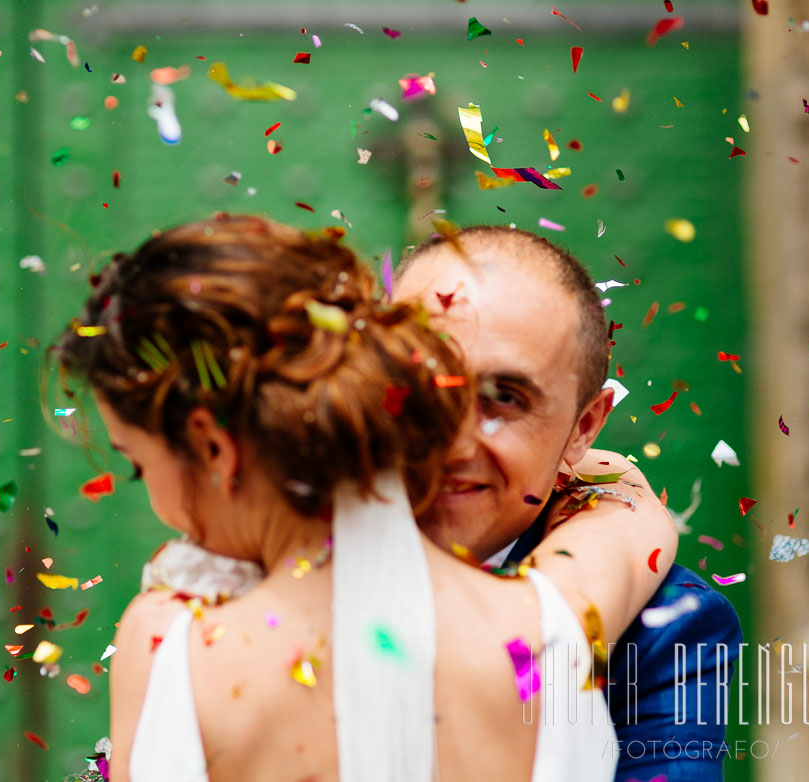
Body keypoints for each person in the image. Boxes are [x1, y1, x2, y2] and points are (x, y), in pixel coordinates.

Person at [54, 214, 678, 782]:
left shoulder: (170, 644)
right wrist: (600, 469)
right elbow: (630, 522)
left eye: (138, 466)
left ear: (213, 447)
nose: (459, 440)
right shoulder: (555, 625)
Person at [394, 224, 743, 782]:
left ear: (585, 427)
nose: (452, 442)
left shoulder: (665, 627)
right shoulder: (271, 547)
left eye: (505, 398)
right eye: (422, 385)